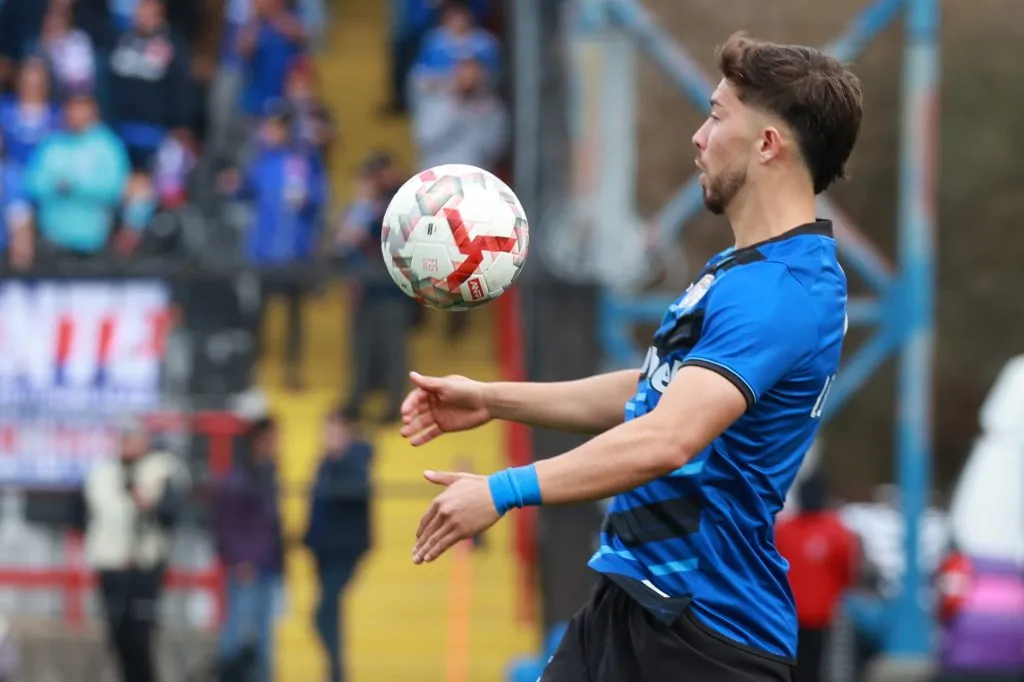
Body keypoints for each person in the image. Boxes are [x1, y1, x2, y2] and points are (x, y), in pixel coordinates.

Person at [398, 33, 863, 682]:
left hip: (706, 637)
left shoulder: (781, 292)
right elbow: (651, 395)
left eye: (717, 116)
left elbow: (668, 437)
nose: (699, 137)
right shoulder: (740, 271)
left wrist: (504, 491)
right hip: (633, 600)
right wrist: (492, 398)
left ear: (767, 145)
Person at [74, 416, 190, 682]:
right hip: (111, 565)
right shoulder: (102, 473)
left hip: (145, 568)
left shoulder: (162, 470)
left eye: (136, 439)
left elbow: (172, 515)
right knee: (116, 635)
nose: (130, 445)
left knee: (140, 636)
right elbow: (79, 514)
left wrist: (150, 504)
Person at [212, 416, 285, 682]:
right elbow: (226, 522)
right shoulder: (239, 478)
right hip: (247, 566)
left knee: (263, 639)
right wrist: (240, 558)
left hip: (267, 564)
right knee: (237, 636)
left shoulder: (268, 472)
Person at [303, 411, 373, 682]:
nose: (328, 438)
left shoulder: (353, 463)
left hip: (343, 552)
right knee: (330, 615)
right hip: (323, 551)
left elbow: (357, 494)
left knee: (323, 614)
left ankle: (337, 673)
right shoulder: (324, 464)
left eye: (333, 432)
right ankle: (335, 673)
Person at [775, 472, 859, 682]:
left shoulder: (785, 530)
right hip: (812, 616)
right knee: (814, 669)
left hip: (794, 616)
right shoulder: (836, 531)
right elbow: (847, 573)